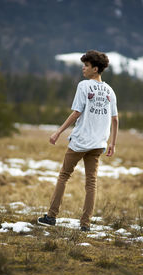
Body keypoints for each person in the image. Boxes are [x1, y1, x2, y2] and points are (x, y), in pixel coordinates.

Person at [38, 50, 118, 231]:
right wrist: (112, 143)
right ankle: (85, 224)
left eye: (87, 66)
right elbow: (115, 119)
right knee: (91, 183)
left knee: (64, 176)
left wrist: (58, 132)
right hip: (99, 143)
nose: (83, 68)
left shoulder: (84, 86)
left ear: (95, 69)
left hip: (80, 141)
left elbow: (76, 112)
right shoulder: (110, 91)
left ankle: (51, 216)